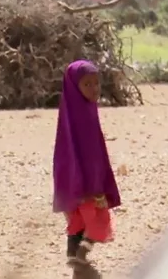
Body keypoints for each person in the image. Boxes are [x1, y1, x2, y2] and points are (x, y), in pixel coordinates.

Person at [53, 60, 121, 272]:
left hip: (87, 180)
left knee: (81, 221)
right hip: (82, 183)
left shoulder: (87, 110)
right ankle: (79, 255)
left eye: (96, 83)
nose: (94, 89)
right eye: (87, 84)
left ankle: (75, 259)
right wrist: (81, 183)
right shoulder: (74, 117)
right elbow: (70, 154)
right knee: (96, 219)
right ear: (74, 87)